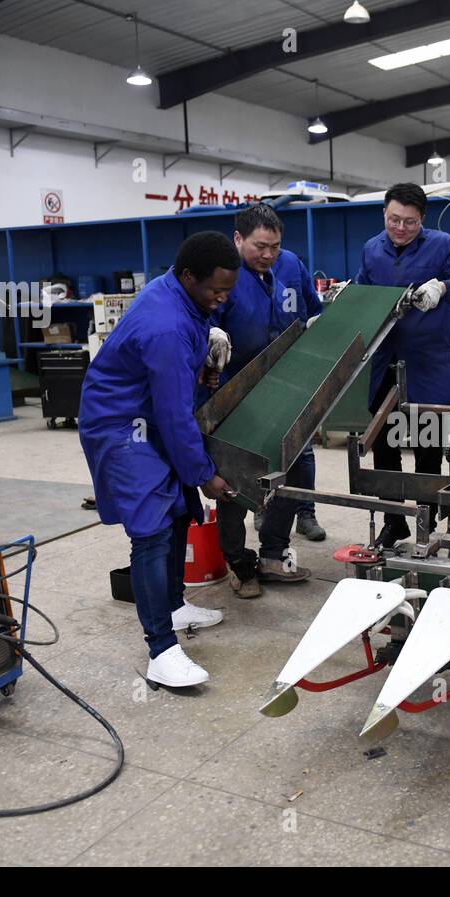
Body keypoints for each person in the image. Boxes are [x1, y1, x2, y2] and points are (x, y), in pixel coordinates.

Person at [78, 231, 237, 688]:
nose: (221, 298)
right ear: (189, 276)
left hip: (147, 412)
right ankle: (161, 649)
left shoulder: (183, 297)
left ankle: (172, 603)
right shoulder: (165, 326)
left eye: (228, 290)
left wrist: (207, 336)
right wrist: (205, 474)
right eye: (215, 291)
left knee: (178, 512)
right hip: (120, 424)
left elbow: (174, 400)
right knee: (150, 530)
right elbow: (173, 414)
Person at [354, 182, 450, 548]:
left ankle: (425, 517)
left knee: (428, 445)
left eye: (410, 223)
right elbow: (364, 293)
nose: (400, 228)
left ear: (421, 220)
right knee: (384, 444)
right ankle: (395, 522)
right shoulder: (371, 250)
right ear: (384, 214)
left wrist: (442, 287)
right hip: (385, 361)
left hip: (428, 362)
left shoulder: (442, 245)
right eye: (394, 220)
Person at [213, 203, 322, 599]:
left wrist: (315, 324)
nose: (268, 255)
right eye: (260, 246)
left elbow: (313, 307)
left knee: (297, 474)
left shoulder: (291, 264)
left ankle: (273, 554)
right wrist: (212, 334)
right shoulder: (222, 273)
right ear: (238, 239)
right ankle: (241, 566)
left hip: (287, 386)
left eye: (275, 246)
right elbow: (200, 320)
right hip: (235, 393)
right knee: (235, 484)